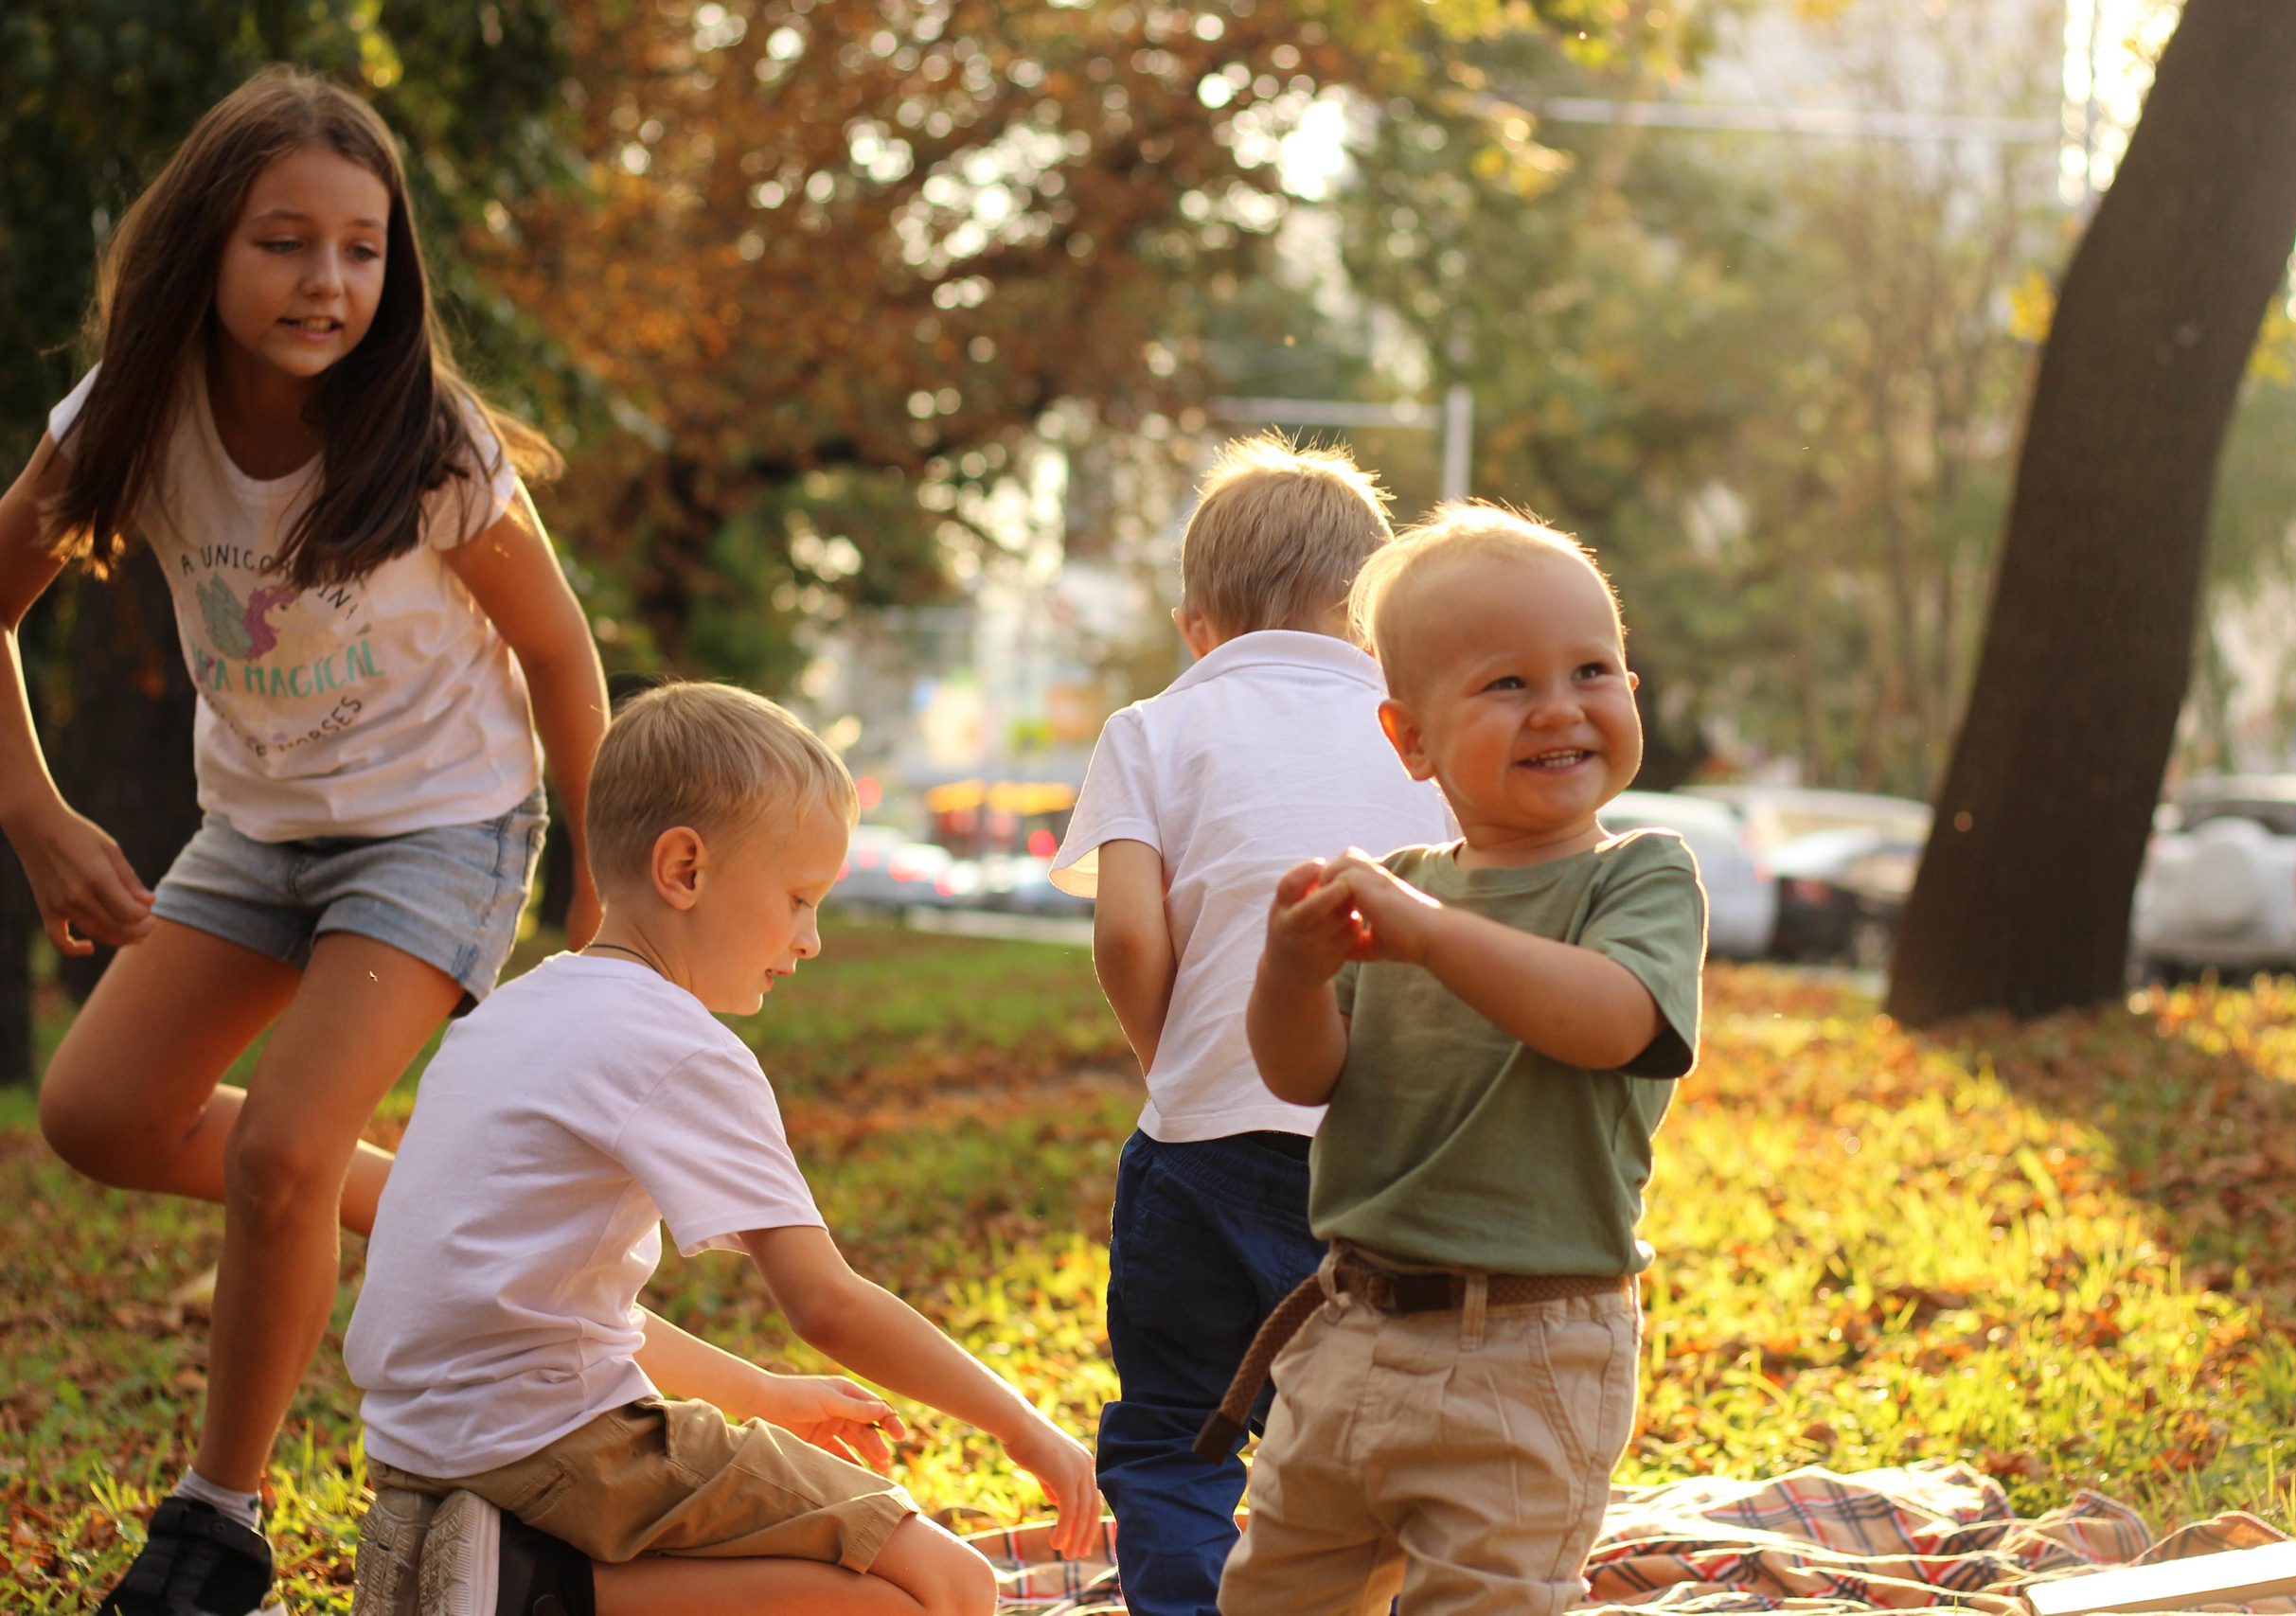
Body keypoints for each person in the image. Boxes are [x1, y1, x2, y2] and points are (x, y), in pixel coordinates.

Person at [0, 68, 608, 1616]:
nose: (327, 280)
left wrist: (599, 890)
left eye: (361, 247)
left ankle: (221, 1529)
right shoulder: (129, 416)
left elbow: (559, 653)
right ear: (204, 245)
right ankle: (350, 1172)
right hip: (261, 825)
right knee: (97, 1113)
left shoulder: (427, 439)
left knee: (278, 1151)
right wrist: (37, 813)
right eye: (284, 241)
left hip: (443, 823)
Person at [345, 681, 1103, 1616]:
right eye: (798, 898)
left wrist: (762, 1395)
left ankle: (510, 1573)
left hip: (422, 1451)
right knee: (952, 1587)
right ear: (685, 869)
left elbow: (547, 1321)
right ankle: (537, 1589)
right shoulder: (679, 1046)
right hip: (556, 1444)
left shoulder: (506, 1016)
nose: (811, 939)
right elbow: (826, 1303)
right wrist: (1022, 1427)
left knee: (880, 1578)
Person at [1216, 505, 1707, 1616]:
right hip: (1351, 1325)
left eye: (1591, 671)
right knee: (1274, 1596)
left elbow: (1612, 1021)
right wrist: (1290, 973)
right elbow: (1305, 1076)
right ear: (1411, 740)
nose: (1560, 708)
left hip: (1531, 1346)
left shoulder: (1636, 877)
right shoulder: (1401, 888)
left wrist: (1430, 937)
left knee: (1484, 1597)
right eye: (1507, 683)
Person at [1047, 436, 1453, 1616]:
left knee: (1179, 1427)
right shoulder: (1422, 735)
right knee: (1387, 1425)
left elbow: (1127, 937)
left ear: (1196, 628)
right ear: (1373, 616)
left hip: (1204, 1149)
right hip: (1394, 1157)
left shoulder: (1152, 729)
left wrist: (1169, 1057)